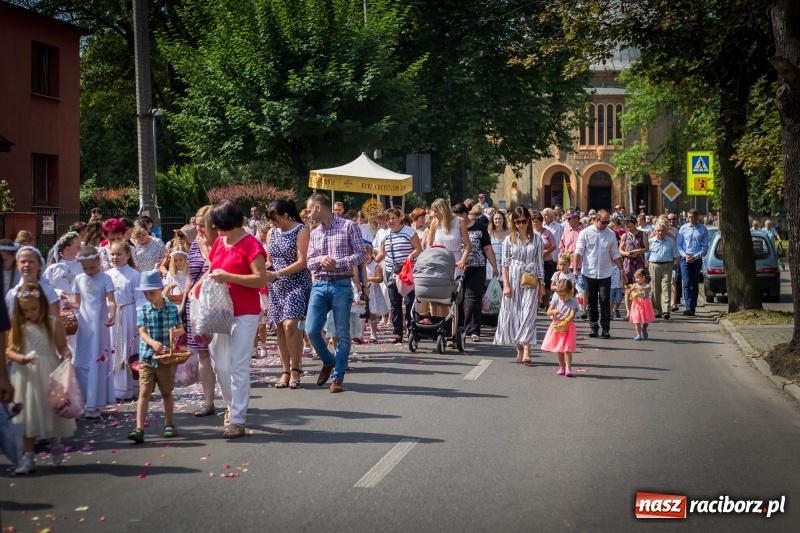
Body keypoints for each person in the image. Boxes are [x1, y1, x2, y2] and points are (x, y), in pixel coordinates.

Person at [198, 201, 268, 437]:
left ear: (228, 223)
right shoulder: (220, 241)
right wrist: (198, 286)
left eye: (218, 226)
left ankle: (237, 419)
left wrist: (229, 276)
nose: (216, 231)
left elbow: (260, 279)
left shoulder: (251, 244)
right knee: (220, 366)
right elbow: (212, 268)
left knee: (238, 366)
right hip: (220, 312)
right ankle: (231, 407)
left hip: (245, 312)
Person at [6, 283, 75, 474]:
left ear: (42, 305)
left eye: (33, 309)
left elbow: (62, 346)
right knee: (27, 415)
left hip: (48, 371)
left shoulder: (53, 323)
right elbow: (9, 351)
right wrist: (21, 358)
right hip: (25, 375)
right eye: (25, 310)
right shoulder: (18, 326)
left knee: (49, 409)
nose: (30, 313)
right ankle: (28, 459)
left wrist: (66, 353)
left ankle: (55, 441)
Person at [304, 193, 366, 393]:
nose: (308, 214)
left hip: (341, 284)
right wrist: (321, 260)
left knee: (342, 333)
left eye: (309, 209)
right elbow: (309, 261)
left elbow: (361, 253)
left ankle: (337, 377)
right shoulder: (314, 233)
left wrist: (338, 263)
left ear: (319, 208)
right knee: (312, 329)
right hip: (320, 284)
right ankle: (329, 360)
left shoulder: (349, 226)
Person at [127, 271, 185, 444]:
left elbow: (181, 329)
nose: (148, 296)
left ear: (161, 289)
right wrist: (152, 343)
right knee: (144, 392)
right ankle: (139, 428)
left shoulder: (171, 309)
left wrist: (175, 332)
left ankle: (169, 423)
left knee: (166, 392)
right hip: (147, 357)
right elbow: (142, 332)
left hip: (165, 358)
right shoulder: (143, 309)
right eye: (145, 293)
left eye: (151, 292)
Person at [263, 199, 312, 390]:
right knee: (280, 327)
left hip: (297, 282)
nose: (273, 223)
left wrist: (278, 273)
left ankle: (295, 369)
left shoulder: (301, 230)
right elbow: (269, 259)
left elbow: (302, 261)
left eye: (275, 219)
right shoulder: (271, 233)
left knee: (291, 324)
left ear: (285, 215)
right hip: (276, 285)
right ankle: (284, 370)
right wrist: (264, 271)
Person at [69, 245, 117, 418]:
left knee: (98, 361)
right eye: (85, 268)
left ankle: (96, 404)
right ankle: (84, 400)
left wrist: (112, 314)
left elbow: (111, 300)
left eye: (92, 267)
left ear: (99, 262)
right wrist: (67, 303)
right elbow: (77, 302)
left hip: (99, 325)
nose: (89, 271)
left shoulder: (105, 278)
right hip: (84, 326)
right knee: (82, 362)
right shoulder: (78, 279)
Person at [494, 206, 545, 364]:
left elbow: (539, 262)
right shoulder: (509, 239)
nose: (521, 225)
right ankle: (519, 348)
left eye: (523, 221)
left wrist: (542, 284)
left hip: (531, 277)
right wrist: (506, 285)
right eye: (517, 222)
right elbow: (504, 264)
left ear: (528, 220)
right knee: (515, 313)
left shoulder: (536, 239)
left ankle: (528, 347)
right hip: (514, 278)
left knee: (528, 313)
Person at [573, 210, 625, 339]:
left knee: (604, 300)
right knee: (591, 301)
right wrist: (575, 269)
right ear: (596, 220)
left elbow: (615, 253)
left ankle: (605, 328)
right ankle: (594, 326)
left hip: (605, 273)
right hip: (588, 272)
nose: (606, 224)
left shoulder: (611, 234)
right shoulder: (585, 233)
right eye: (603, 222)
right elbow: (578, 252)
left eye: (608, 222)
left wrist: (622, 270)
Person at [185, 206, 216, 417]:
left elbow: (216, 267)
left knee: (221, 355)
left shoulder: (221, 242)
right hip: (195, 305)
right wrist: (184, 295)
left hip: (216, 303)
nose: (198, 229)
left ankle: (233, 401)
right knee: (203, 352)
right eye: (196, 225)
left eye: (201, 225)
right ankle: (208, 402)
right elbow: (191, 273)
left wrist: (206, 247)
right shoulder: (195, 242)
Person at [376, 207, 422, 344]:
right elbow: (382, 254)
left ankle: (412, 329)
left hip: (407, 272)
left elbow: (418, 248)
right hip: (391, 272)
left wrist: (411, 256)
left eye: (393, 218)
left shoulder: (409, 232)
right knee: (395, 304)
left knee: (409, 302)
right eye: (388, 219)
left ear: (399, 218)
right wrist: (372, 259)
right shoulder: (385, 235)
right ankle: (397, 333)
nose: (390, 221)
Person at [454, 203, 498, 342]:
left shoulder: (479, 228)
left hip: (477, 267)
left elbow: (487, 248)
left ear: (465, 215)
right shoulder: (453, 228)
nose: (455, 219)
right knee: (457, 300)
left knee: (473, 299)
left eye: (458, 216)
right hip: (457, 269)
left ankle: (473, 330)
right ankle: (458, 327)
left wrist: (494, 266)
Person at [107, 241, 143, 401]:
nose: (115, 257)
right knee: (112, 349)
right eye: (112, 254)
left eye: (119, 254)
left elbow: (140, 300)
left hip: (128, 316)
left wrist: (140, 321)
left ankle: (129, 388)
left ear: (128, 255)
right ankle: (112, 388)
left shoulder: (134, 275)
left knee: (127, 350)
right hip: (111, 317)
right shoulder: (106, 274)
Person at [426, 199, 471, 328]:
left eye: (435, 211)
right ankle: (437, 326)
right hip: (438, 261)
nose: (433, 214)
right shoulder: (435, 223)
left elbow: (467, 245)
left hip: (454, 261)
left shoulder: (459, 222)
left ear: (442, 209)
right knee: (436, 297)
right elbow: (429, 244)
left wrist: (462, 260)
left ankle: (451, 330)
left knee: (450, 298)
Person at [6, 247, 60, 319]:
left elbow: (56, 321)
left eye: (31, 261)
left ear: (39, 265)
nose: (27, 264)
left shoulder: (48, 291)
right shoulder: (12, 294)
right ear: (17, 265)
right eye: (23, 262)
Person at [541, 278, 578, 377]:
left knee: (566, 349)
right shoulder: (556, 301)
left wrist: (565, 322)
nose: (562, 297)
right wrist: (553, 312)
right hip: (557, 327)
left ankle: (568, 368)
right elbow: (548, 312)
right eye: (560, 295)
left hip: (567, 328)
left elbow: (572, 315)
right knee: (559, 349)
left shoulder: (573, 303)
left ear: (570, 292)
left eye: (564, 295)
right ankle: (561, 367)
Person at [676, 208, 708, 317]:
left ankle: (693, 307)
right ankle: (688, 307)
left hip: (696, 259)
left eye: (692, 217)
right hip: (685, 259)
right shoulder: (683, 229)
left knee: (694, 284)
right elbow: (678, 244)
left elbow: (705, 247)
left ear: (697, 217)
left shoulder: (703, 229)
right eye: (689, 217)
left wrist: (696, 256)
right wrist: (685, 255)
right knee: (686, 282)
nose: (691, 219)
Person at [646, 221, 680, 319]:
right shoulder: (651, 241)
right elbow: (646, 256)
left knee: (666, 287)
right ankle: (657, 310)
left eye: (662, 231)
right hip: (654, 265)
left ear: (665, 231)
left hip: (667, 266)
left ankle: (666, 310)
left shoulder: (670, 241)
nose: (660, 233)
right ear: (655, 231)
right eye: (658, 231)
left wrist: (671, 264)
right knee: (655, 289)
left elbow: (675, 255)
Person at [531, 211, 557, 306]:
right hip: (533, 261)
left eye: (537, 221)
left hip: (547, 261)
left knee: (547, 281)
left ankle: (546, 303)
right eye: (533, 221)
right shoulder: (530, 232)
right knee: (535, 282)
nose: (535, 224)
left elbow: (554, 245)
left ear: (541, 222)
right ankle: (536, 303)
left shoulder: (547, 232)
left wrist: (545, 252)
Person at [363, 244, 387, 342]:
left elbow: (380, 279)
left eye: (367, 258)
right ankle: (360, 334)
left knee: (372, 313)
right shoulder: (360, 266)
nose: (365, 260)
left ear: (371, 254)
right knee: (361, 313)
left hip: (373, 291)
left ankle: (373, 334)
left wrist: (368, 279)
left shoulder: (375, 266)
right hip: (363, 291)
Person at [627, 268, 655, 340]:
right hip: (636, 303)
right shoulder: (634, 285)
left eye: (638, 278)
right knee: (637, 319)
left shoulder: (647, 284)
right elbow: (629, 292)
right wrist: (629, 291)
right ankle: (638, 335)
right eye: (635, 278)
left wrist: (642, 288)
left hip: (645, 303)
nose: (636, 279)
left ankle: (644, 328)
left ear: (643, 278)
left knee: (646, 320)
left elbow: (648, 288)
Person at [619, 217, 649, 284]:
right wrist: (625, 253)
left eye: (630, 226)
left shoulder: (642, 234)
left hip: (639, 262)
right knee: (628, 285)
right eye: (627, 227)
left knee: (640, 283)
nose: (629, 229)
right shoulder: (625, 235)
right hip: (628, 263)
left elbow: (647, 248)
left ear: (635, 224)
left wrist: (639, 251)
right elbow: (620, 250)